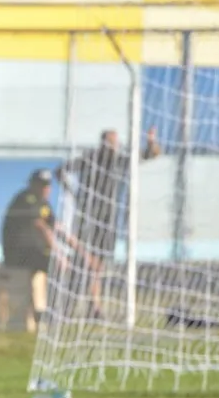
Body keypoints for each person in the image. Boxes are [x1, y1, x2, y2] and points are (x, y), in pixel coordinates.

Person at [55, 128, 161, 318]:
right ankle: (75, 305)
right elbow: (60, 171)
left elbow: (150, 155)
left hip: (108, 219)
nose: (114, 146)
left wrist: (151, 141)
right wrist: (72, 192)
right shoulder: (90, 158)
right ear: (103, 142)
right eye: (111, 142)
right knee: (85, 261)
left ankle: (93, 305)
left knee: (98, 264)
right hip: (89, 217)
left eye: (115, 142)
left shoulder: (117, 160)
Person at [1, 169, 86, 331]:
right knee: (57, 266)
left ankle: (57, 311)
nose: (46, 189)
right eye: (42, 185)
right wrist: (59, 255)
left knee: (74, 267)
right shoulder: (26, 199)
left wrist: (82, 252)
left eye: (48, 186)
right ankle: (51, 313)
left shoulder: (43, 203)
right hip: (19, 255)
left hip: (34, 252)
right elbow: (41, 227)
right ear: (32, 185)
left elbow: (57, 227)